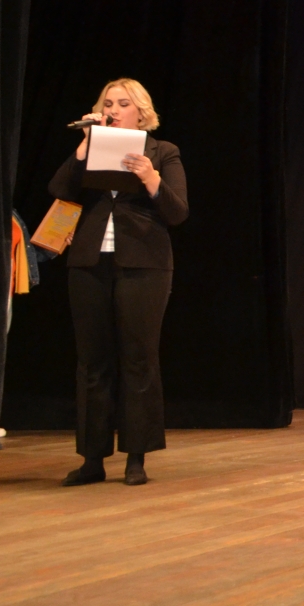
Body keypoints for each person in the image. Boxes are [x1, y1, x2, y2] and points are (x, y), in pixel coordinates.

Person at [51, 78, 187, 487]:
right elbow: (59, 190)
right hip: (89, 261)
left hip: (144, 264)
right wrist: (83, 147)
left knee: (138, 358)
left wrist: (151, 179)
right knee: (92, 361)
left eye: (122, 103)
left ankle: (136, 458)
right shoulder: (89, 148)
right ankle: (92, 459)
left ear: (141, 112)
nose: (112, 109)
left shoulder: (162, 151)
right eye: (107, 103)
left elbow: (178, 212)